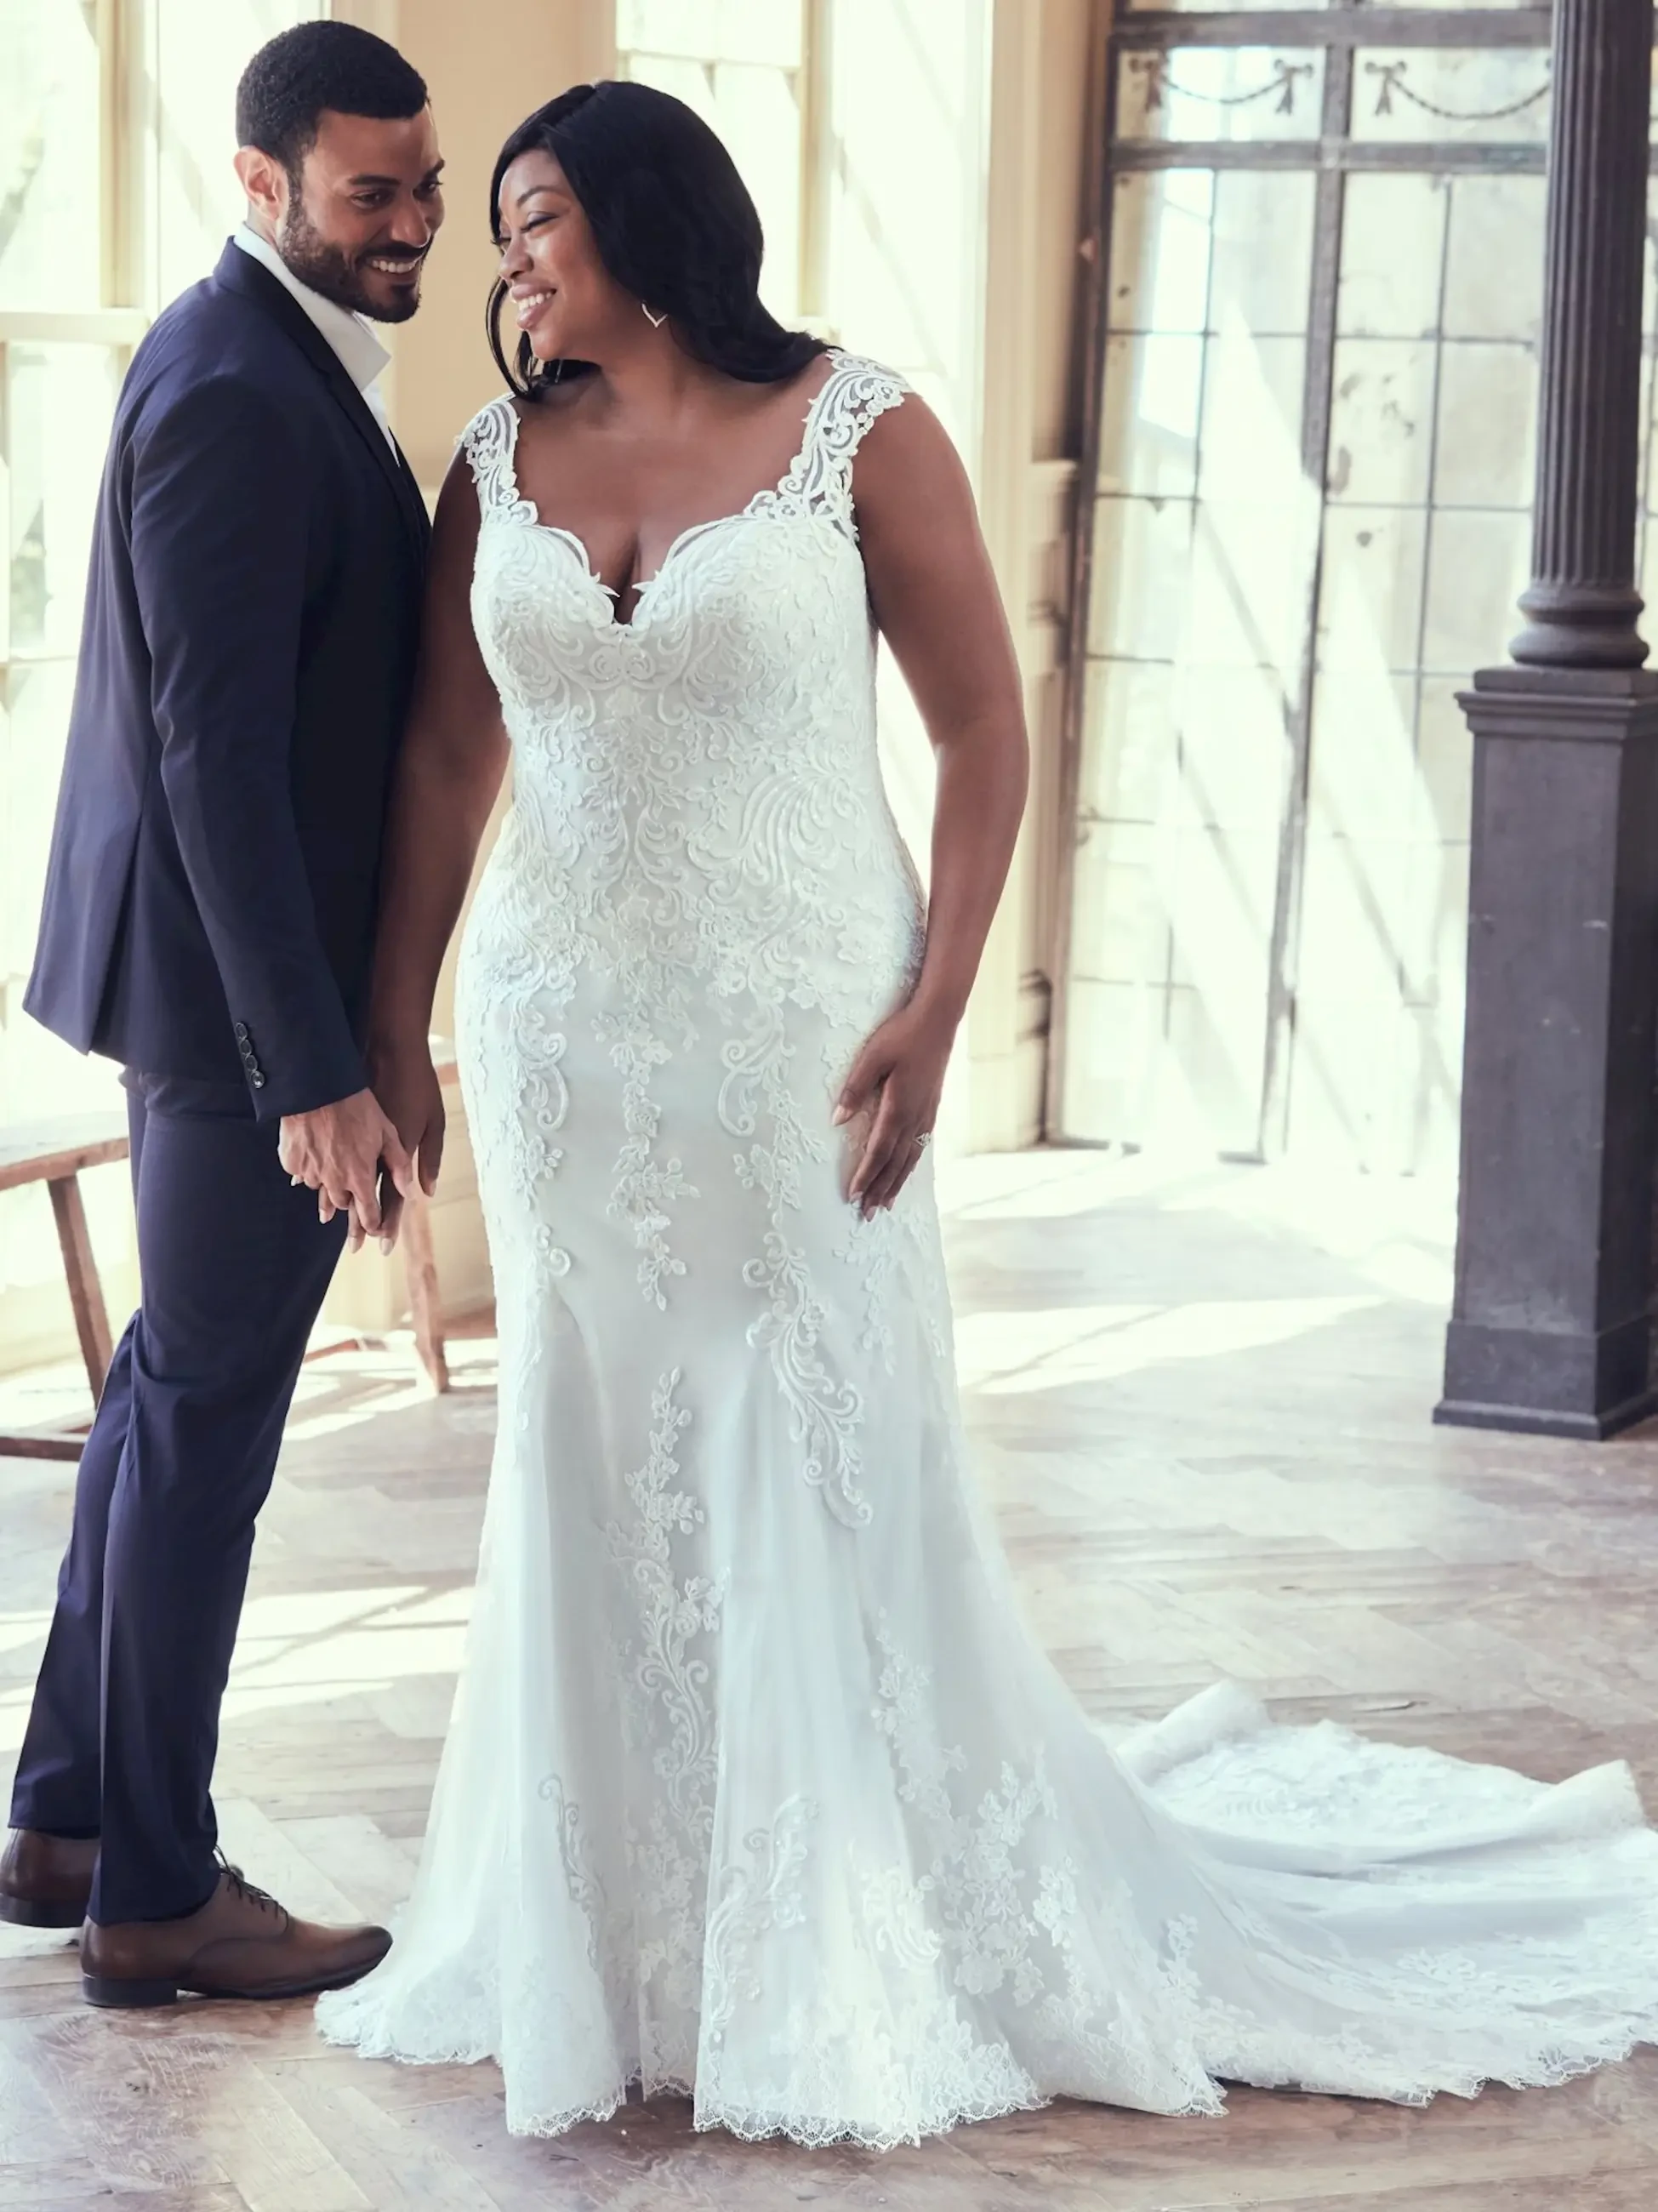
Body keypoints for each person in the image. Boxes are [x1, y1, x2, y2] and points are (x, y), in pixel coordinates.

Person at [318, 80, 1658, 2148]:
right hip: (566, 1044)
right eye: (502, 225)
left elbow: (974, 732)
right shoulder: (493, 461)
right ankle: (617, 1935)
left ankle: (839, 1926)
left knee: (809, 1450)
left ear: (657, 227)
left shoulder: (861, 431)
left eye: (543, 218)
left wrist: (940, 1010)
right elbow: (437, 762)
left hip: (799, 1039)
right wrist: (397, 1027)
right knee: (593, 1470)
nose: (512, 258)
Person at [0, 21, 443, 2010]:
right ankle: (161, 1892)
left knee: (165, 1403)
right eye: (374, 192)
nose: (413, 224)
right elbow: (217, 766)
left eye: (427, 186)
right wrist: (315, 1071)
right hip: (229, 1012)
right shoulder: (237, 394)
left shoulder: (251, 360)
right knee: (203, 1427)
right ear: (260, 183)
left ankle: (73, 1814)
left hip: (208, 998)